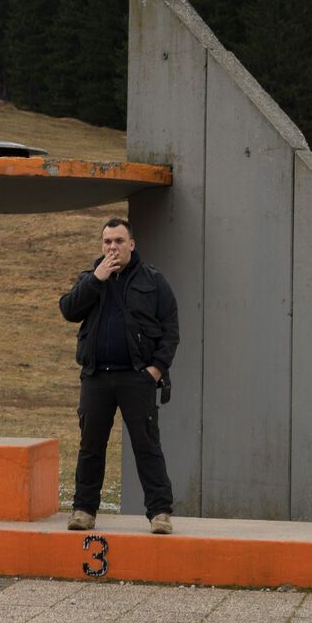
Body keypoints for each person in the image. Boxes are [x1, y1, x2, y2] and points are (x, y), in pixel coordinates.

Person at [57, 216, 180, 533]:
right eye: (107, 242)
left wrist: (155, 370)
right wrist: (96, 279)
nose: (112, 247)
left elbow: (170, 330)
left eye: (119, 241)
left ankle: (159, 514)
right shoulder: (92, 278)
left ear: (132, 245)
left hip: (136, 377)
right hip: (96, 377)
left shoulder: (153, 281)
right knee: (91, 446)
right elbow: (68, 309)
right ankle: (84, 511)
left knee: (146, 445)